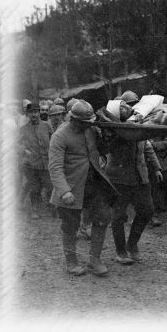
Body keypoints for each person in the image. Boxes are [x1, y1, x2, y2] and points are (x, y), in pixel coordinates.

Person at [48, 100, 118, 276]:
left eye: (89, 121)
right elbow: (55, 167)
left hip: (93, 184)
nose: (88, 124)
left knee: (103, 217)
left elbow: (103, 150)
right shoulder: (60, 135)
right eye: (84, 122)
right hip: (71, 188)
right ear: (73, 119)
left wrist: (106, 135)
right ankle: (71, 263)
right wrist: (64, 191)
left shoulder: (91, 130)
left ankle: (94, 260)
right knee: (70, 226)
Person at [104, 99, 163, 264]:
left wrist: (157, 168)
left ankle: (132, 244)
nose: (127, 107)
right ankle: (121, 252)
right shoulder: (113, 130)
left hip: (140, 176)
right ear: (117, 114)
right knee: (118, 216)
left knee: (147, 210)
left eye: (126, 104)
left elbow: (147, 147)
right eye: (122, 107)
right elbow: (109, 146)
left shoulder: (138, 122)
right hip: (119, 178)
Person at [18, 103, 54, 219]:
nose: (34, 114)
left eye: (36, 112)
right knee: (35, 187)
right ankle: (35, 210)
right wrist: (25, 151)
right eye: (31, 112)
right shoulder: (23, 129)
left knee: (50, 186)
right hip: (31, 164)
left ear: (39, 113)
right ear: (27, 114)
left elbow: (54, 141)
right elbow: (17, 144)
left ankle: (52, 208)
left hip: (46, 162)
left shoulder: (47, 126)